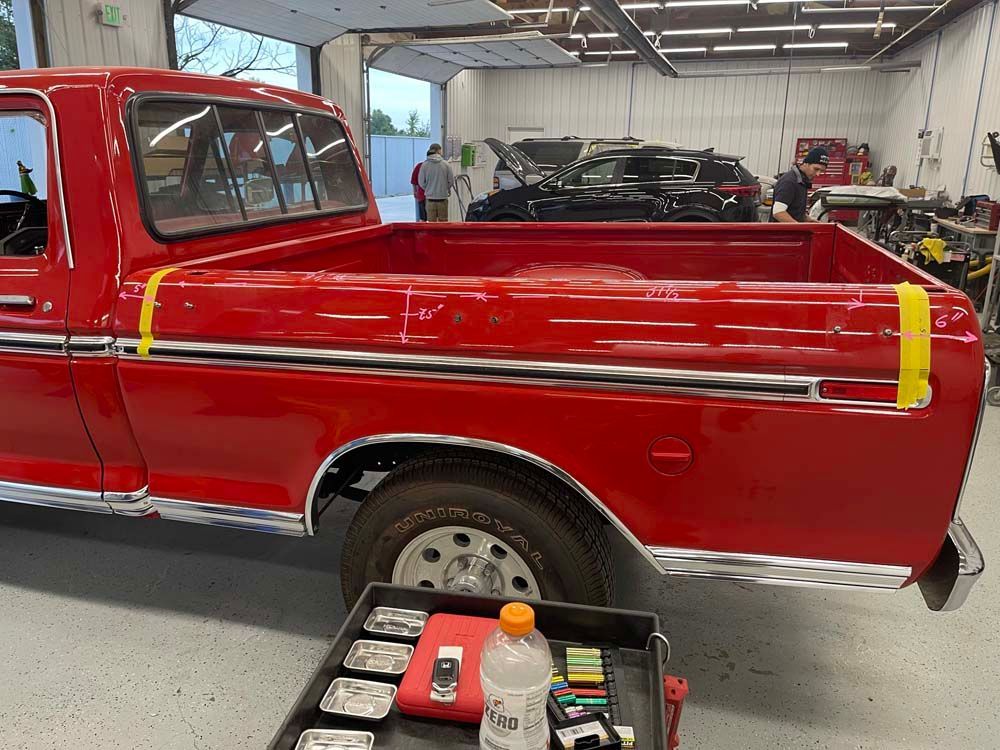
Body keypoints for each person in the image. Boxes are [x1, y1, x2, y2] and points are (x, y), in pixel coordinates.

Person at [770, 147, 829, 223]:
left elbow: (796, 212)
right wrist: (798, 227)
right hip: (781, 234)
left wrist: (811, 221)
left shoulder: (801, 182)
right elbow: (778, 212)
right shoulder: (789, 182)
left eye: (822, 171)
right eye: (816, 169)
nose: (818, 174)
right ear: (806, 163)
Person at [418, 143, 455, 222]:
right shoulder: (446, 164)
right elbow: (451, 181)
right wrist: (445, 188)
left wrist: (428, 189)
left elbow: (421, 182)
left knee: (431, 224)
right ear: (438, 151)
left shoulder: (424, 165)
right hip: (442, 198)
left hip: (430, 199)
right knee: (443, 223)